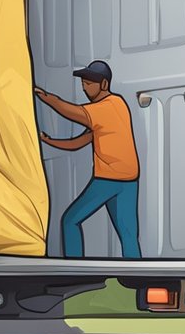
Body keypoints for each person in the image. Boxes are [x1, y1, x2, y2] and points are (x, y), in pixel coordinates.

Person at [34, 60, 141, 259]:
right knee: (128, 234)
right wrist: (50, 141)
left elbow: (70, 111)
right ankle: (138, 279)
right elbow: (78, 143)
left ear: (104, 84)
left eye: (89, 83)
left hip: (109, 179)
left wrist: (45, 97)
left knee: (70, 220)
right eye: (83, 82)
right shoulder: (116, 107)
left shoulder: (105, 107)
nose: (85, 87)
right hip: (129, 180)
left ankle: (76, 269)